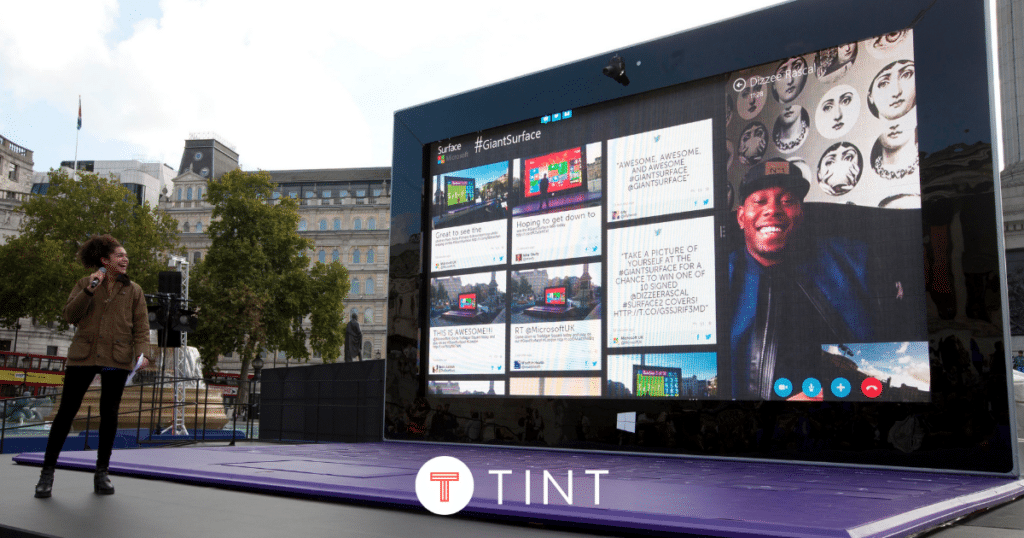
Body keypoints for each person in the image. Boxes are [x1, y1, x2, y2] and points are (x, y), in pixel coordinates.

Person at [726, 159, 915, 399]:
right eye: (759, 201)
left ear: (801, 214)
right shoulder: (717, 280)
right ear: (741, 217)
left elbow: (894, 352)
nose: (773, 209)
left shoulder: (857, 261)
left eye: (787, 201)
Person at [35, 234, 150, 498]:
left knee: (109, 415)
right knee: (66, 413)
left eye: (126, 256)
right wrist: (89, 291)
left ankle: (102, 473)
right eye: (119, 255)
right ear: (104, 260)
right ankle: (46, 474)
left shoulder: (135, 290)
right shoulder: (86, 283)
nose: (125, 259)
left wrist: (143, 354)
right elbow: (70, 315)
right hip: (84, 356)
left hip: (116, 359)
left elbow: (142, 327)